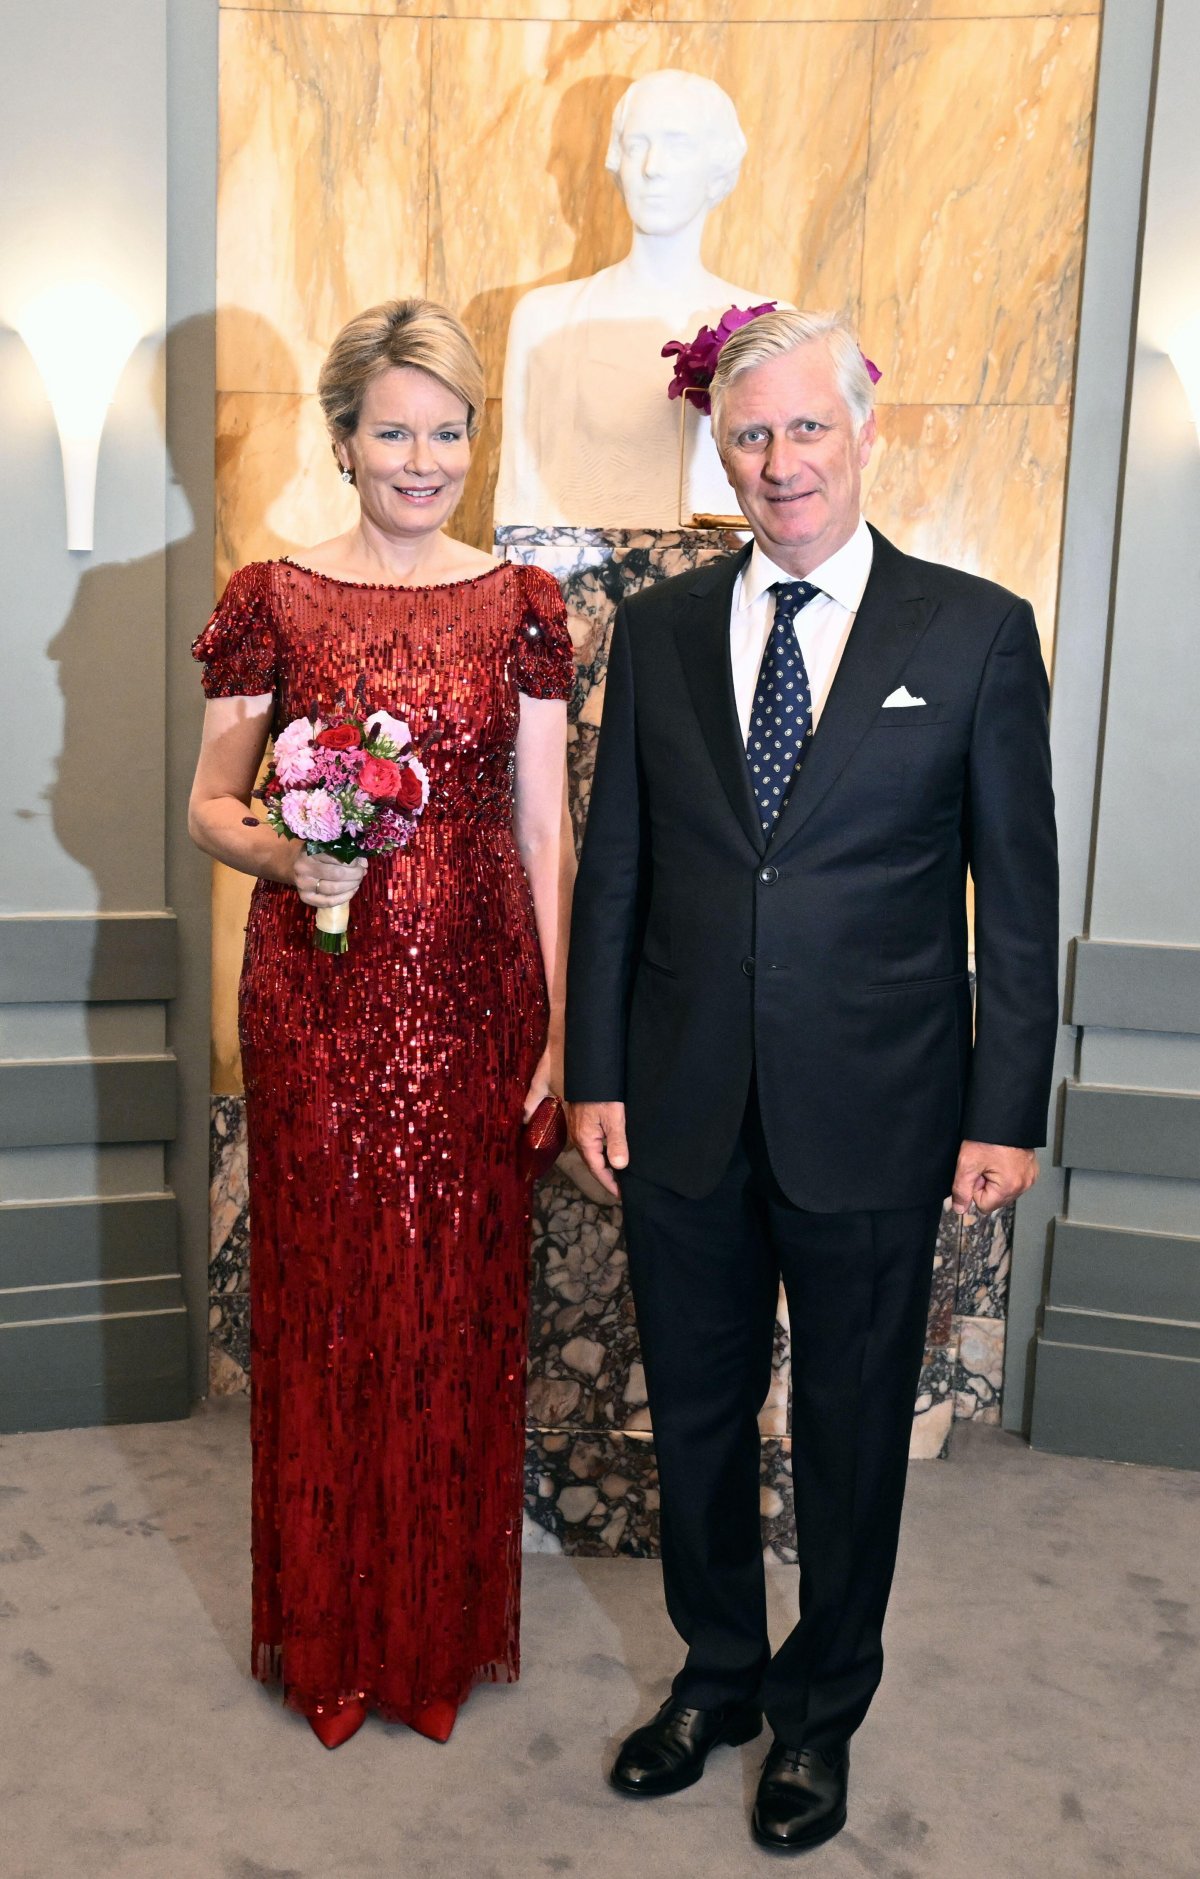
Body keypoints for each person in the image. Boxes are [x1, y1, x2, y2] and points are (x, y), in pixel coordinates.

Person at [566, 309, 1058, 1853]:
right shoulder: (654, 634)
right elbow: (619, 875)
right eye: (752, 433)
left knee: (850, 1433)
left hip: (882, 1110)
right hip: (682, 1103)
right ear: (722, 445)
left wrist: (1005, 1104)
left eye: (806, 428)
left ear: (864, 428)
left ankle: (821, 1708)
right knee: (698, 1418)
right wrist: (594, 1071)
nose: (781, 461)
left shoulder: (973, 630)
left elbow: (1018, 895)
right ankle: (717, 1675)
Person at [188, 299, 573, 1750]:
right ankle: (333, 1635)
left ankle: (437, 1634)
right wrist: (294, 856)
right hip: (318, 1003)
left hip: (477, 1008)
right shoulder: (271, 597)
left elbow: (546, 831)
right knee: (335, 1305)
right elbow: (211, 802)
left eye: (449, 429)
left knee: (455, 1314)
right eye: (394, 429)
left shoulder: (520, 606)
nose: (424, 458)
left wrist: (558, 1025)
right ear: (343, 440)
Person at [495, 68, 784, 529]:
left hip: (717, 590)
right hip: (582, 592)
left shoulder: (769, 326)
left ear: (717, 168)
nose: (652, 166)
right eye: (637, 145)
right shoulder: (547, 319)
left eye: (678, 144)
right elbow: (519, 499)